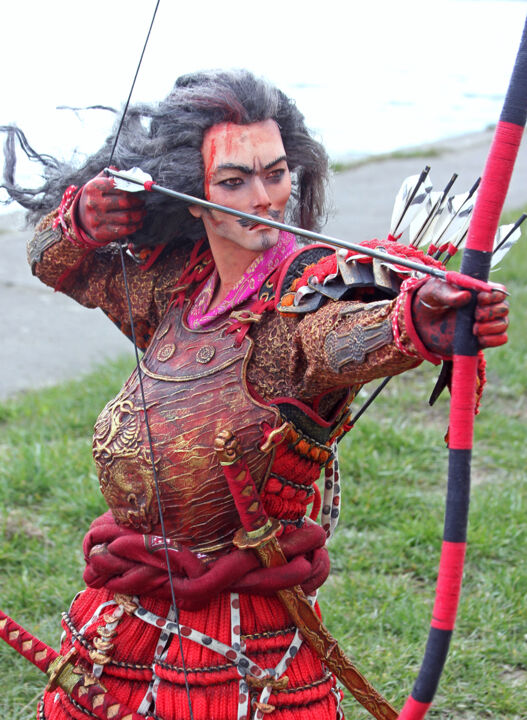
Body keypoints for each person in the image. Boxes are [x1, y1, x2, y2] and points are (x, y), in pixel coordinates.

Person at [2, 69, 508, 720]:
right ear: (192, 197)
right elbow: (55, 261)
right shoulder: (177, 287)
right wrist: (81, 220)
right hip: (127, 608)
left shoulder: (304, 296)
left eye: (276, 173)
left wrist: (416, 322)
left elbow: (331, 339)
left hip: (240, 636)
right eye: (235, 181)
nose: (264, 198)